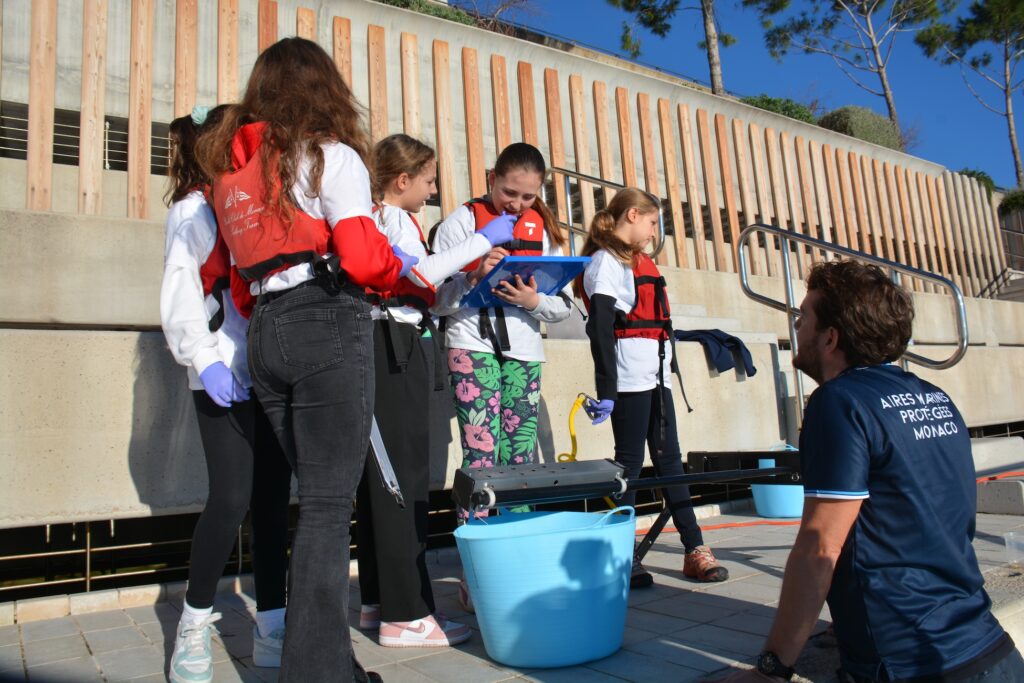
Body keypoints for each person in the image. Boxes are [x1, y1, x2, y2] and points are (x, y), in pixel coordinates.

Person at [196, 37, 415, 683]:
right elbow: (360, 254)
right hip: (327, 319)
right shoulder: (331, 156)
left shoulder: (233, 175)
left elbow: (231, 274)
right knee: (325, 504)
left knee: (312, 501)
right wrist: (398, 268)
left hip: (266, 328)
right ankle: (317, 676)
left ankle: (329, 664)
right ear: (326, 87)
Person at [711, 260, 1022, 683]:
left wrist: (772, 669)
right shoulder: (934, 396)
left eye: (803, 317)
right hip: (988, 647)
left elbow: (819, 548)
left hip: (907, 663)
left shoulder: (840, 403)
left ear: (831, 337)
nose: (796, 328)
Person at [356, 133, 513, 647]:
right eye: (428, 180)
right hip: (393, 343)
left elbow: (428, 294)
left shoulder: (384, 220)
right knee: (404, 477)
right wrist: (482, 239)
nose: (433, 190)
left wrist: (469, 280)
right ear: (402, 180)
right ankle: (407, 614)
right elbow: (418, 271)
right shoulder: (391, 218)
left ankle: (379, 601)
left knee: (381, 478)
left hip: (393, 335)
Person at [160, 104, 292, 683]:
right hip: (219, 370)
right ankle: (192, 626)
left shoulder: (253, 205)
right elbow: (181, 289)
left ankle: (273, 625)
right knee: (231, 498)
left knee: (270, 500)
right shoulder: (193, 208)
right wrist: (205, 361)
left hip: (266, 368)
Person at [431, 142, 572, 608]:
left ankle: (520, 558)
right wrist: (472, 278)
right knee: (482, 455)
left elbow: (562, 304)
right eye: (510, 192)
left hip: (524, 350)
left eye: (528, 197)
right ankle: (479, 571)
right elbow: (431, 297)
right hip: (471, 345)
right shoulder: (459, 222)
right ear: (491, 176)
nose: (517, 205)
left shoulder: (545, 228)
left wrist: (535, 302)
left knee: (521, 456)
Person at [577, 187, 728, 588]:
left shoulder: (639, 262)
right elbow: (601, 329)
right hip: (627, 379)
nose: (653, 230)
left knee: (670, 463)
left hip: (657, 375)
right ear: (631, 216)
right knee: (626, 466)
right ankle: (624, 556)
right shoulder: (605, 262)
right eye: (651, 221)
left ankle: (695, 549)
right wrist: (607, 390)